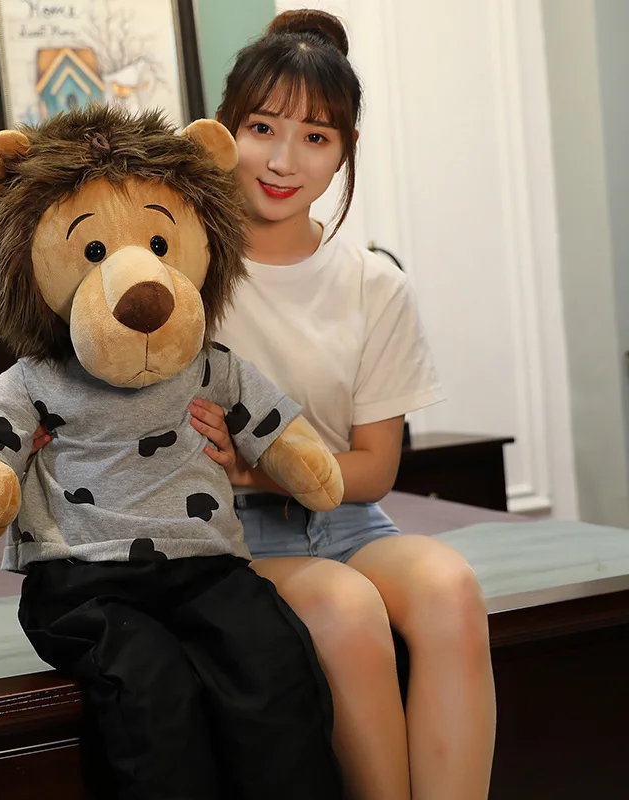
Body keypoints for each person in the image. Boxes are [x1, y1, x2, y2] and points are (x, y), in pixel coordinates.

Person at [34, 9, 496, 799]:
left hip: (348, 521)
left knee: (450, 586)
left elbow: (376, 469)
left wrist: (256, 469)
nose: (284, 160)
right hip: (223, 542)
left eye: (316, 136)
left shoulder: (374, 284)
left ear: (346, 148)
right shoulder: (167, 273)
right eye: (262, 128)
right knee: (346, 607)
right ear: (223, 130)